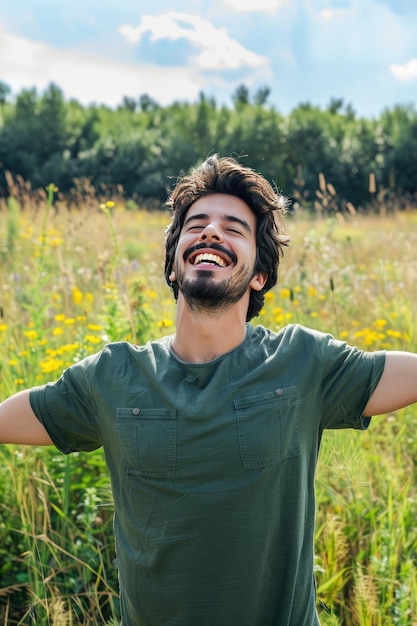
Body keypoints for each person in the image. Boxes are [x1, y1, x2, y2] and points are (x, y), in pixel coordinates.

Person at [1, 154, 417, 626]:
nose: (211, 232)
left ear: (259, 274)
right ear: (173, 267)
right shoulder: (113, 375)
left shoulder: (304, 362)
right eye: (196, 224)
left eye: (233, 228)